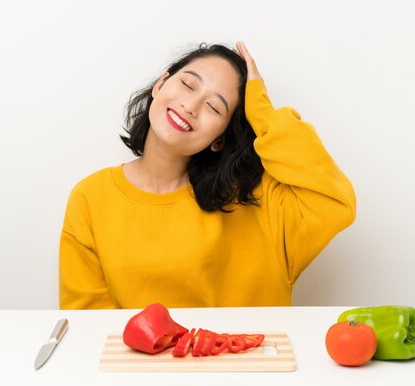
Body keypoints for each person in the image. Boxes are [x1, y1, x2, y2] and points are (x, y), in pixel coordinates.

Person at [59, 41, 356, 309]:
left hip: (248, 369)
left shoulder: (260, 204)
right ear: (161, 84)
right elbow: (88, 326)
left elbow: (334, 202)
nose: (191, 106)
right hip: (139, 369)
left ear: (221, 139)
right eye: (188, 85)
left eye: (214, 107)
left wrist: (260, 108)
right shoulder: (90, 197)